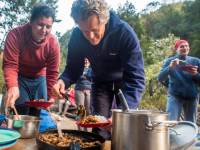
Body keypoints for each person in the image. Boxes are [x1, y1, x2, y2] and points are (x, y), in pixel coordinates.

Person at [52, 0, 145, 139]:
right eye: (85, 31)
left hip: (125, 82)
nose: (90, 37)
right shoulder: (77, 36)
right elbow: (73, 68)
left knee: (122, 128)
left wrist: (122, 112)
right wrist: (63, 81)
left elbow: (135, 78)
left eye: (95, 30)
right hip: (100, 82)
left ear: (104, 20)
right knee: (99, 127)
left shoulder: (124, 33)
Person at [3, 3, 60, 119]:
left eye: (48, 27)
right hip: (20, 77)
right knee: (20, 110)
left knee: (38, 113)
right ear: (31, 22)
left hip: (40, 78)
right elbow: (10, 65)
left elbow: (52, 72)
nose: (44, 30)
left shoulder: (53, 43)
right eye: (40, 25)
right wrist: (12, 86)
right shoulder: (15, 35)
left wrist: (51, 95)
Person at [158, 39, 200, 123]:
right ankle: (171, 136)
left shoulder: (196, 61)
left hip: (192, 97)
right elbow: (160, 78)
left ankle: (190, 136)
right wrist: (170, 67)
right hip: (175, 96)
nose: (185, 48)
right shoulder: (170, 61)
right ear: (176, 49)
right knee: (171, 122)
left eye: (186, 46)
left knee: (190, 124)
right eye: (182, 46)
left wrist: (195, 74)